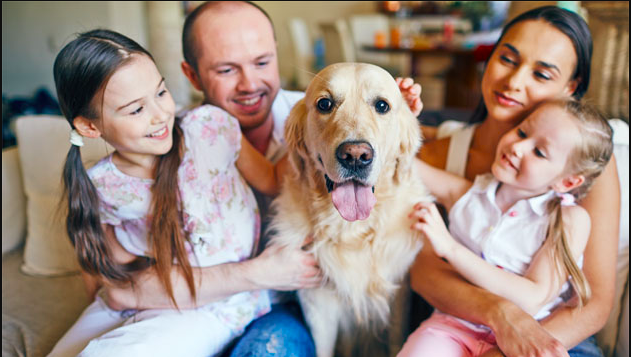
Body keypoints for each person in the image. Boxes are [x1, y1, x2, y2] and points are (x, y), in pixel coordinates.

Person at [98, 2, 423, 357]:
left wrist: (393, 117)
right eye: (226, 69)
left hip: (283, 313)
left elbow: (416, 168)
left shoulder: (311, 111)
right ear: (191, 76)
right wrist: (258, 274)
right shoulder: (168, 142)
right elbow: (114, 286)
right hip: (213, 305)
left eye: (263, 62)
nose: (250, 83)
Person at [47, 28, 321, 357]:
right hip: (154, 295)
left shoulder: (210, 128)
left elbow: (273, 180)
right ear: (90, 127)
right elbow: (111, 269)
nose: (160, 114)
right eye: (136, 110)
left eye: (161, 92)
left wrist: (316, 125)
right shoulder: (101, 184)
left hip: (220, 304)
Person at [413, 6, 623, 357]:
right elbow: (424, 273)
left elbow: (596, 302)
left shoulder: (588, 169)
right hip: (456, 329)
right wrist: (502, 315)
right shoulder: (443, 154)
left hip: (556, 337)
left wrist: (511, 349)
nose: (514, 81)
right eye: (507, 59)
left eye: (541, 74)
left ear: (570, 88)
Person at [399, 99, 613, 356]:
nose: (518, 146)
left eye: (539, 152)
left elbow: (532, 298)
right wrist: (399, 112)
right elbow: (403, 164)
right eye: (522, 132)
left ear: (567, 181)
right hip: (452, 327)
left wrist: (450, 248)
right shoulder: (467, 193)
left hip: (529, 336)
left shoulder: (568, 219)